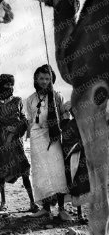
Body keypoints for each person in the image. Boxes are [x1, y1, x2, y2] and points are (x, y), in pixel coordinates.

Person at [26, 64, 72, 220]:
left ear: (52, 80)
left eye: (47, 78)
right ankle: (45, 208)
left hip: (53, 137)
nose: (44, 81)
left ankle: (61, 209)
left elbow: (66, 117)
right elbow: (30, 120)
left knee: (57, 171)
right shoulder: (31, 99)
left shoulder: (57, 96)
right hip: (36, 138)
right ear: (36, 79)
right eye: (41, 78)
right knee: (41, 173)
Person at [0, 74, 39, 213]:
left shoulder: (18, 101)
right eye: (6, 84)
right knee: (1, 171)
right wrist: (2, 128)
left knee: (24, 169)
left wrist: (15, 129)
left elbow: (24, 119)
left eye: (11, 84)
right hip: (0, 141)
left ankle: (32, 202)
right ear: (0, 86)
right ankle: (3, 203)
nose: (9, 87)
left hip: (16, 141)